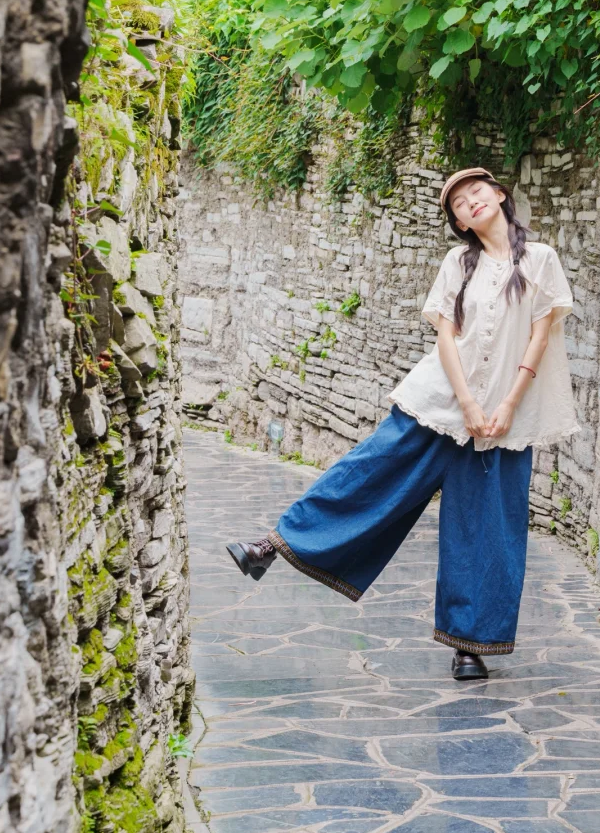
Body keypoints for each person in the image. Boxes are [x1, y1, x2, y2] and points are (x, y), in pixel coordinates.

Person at [226, 167, 580, 680]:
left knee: (487, 527)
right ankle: (273, 545)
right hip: (441, 401)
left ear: (500, 194)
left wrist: (507, 405)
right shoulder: (458, 262)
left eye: (476, 191)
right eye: (458, 203)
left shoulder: (541, 259)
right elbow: (446, 338)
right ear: (459, 223)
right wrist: (467, 402)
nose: (470, 202)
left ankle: (469, 646)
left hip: (507, 419)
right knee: (371, 471)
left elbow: (539, 338)